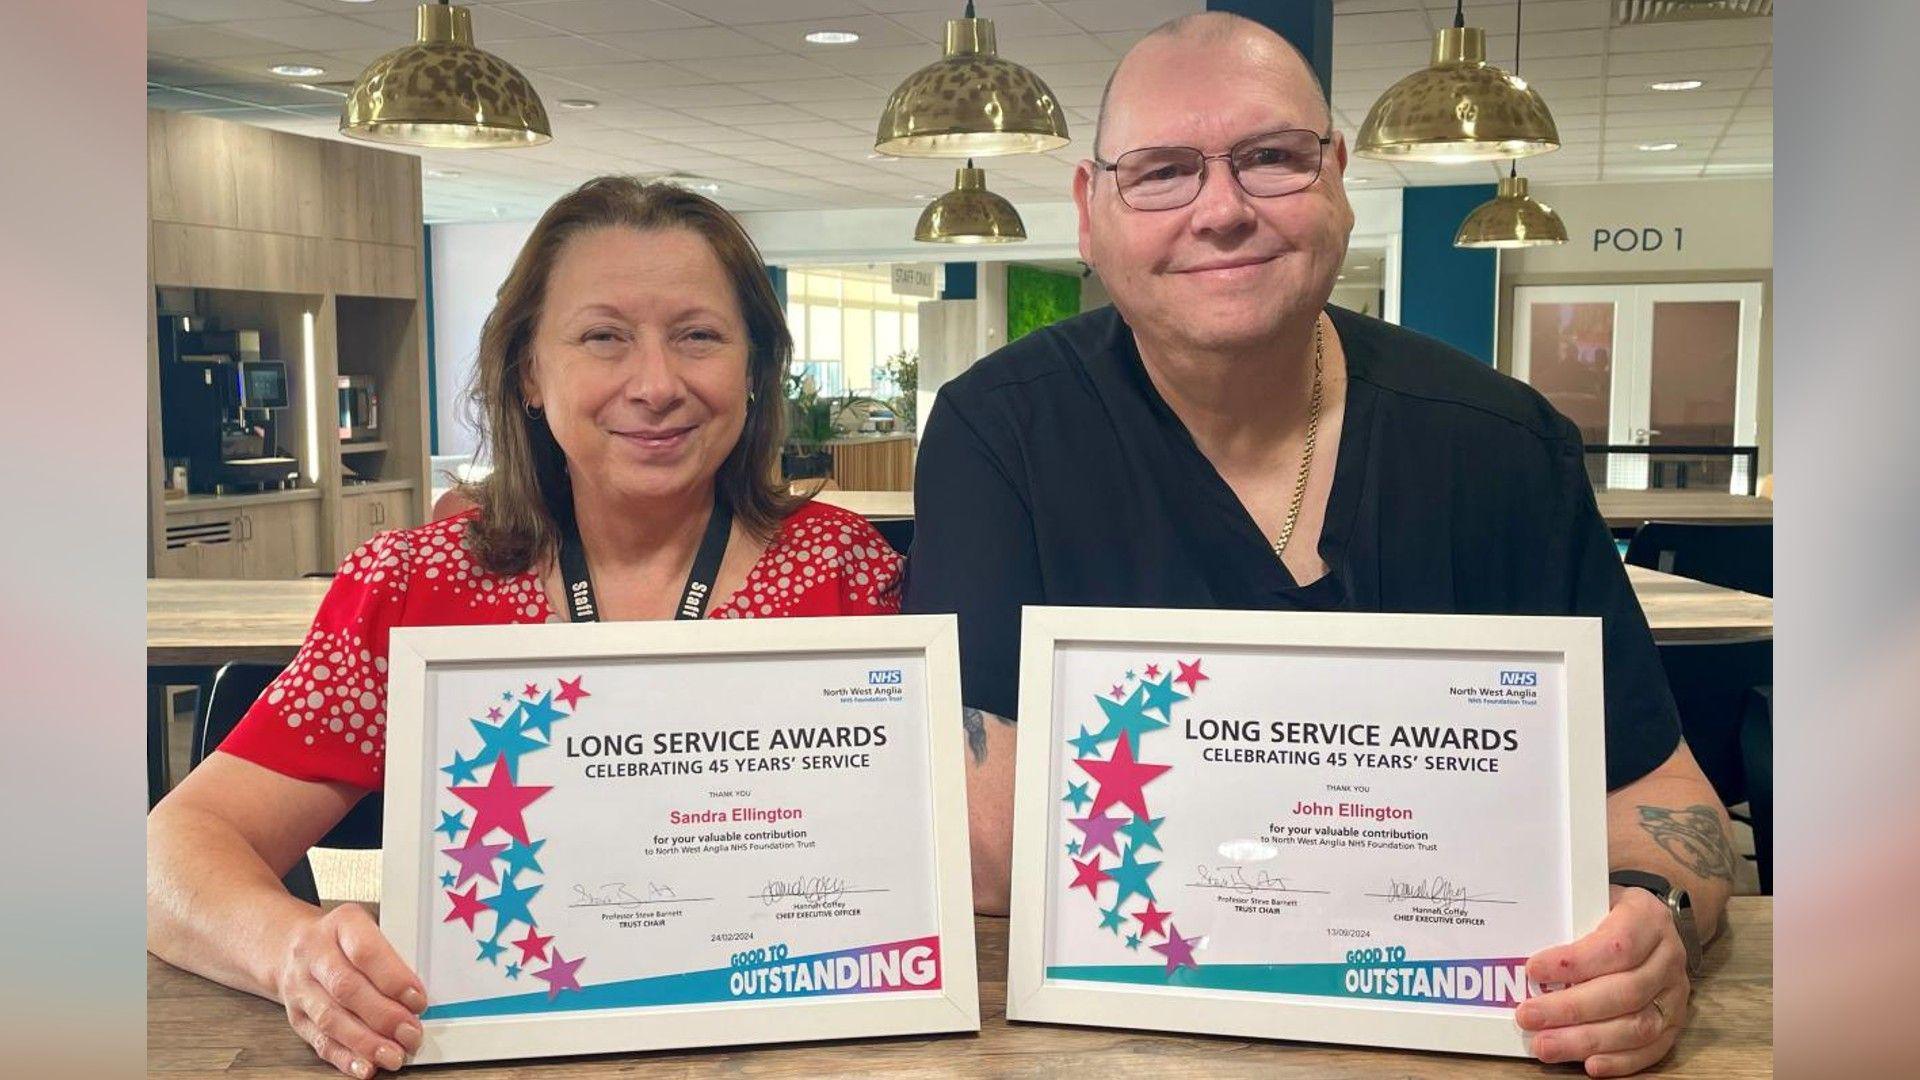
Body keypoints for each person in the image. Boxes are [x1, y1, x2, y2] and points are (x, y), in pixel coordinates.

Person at [903, 13, 1734, 1078]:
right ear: (1089, 210)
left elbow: (1662, 799)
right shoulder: (999, 433)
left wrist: (1654, 917)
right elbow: (988, 844)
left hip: (1475, 1043)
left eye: (1272, 160)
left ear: (1337, 176)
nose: (1222, 210)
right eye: (1160, 171)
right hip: (1119, 1041)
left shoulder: (1502, 444)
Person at [147, 178, 903, 1078]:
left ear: (752, 370)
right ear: (530, 373)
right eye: (603, 337)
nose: (656, 384)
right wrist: (294, 954)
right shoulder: (418, 589)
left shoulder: (848, 574)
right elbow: (171, 853)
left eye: (699, 336)